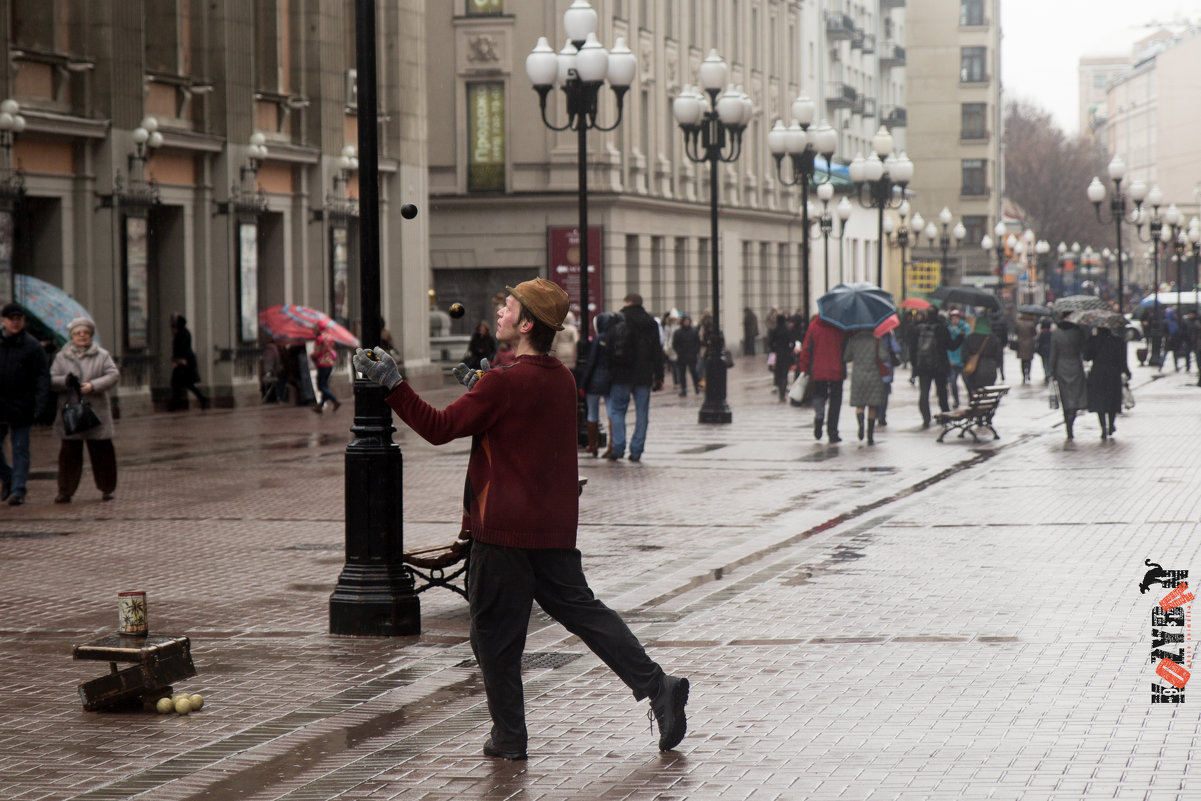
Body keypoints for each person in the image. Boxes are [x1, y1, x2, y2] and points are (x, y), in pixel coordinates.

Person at [352, 277, 689, 761]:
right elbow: (522, 426)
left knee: (492, 636)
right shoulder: (560, 377)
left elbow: (438, 427)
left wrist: (393, 384)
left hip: (503, 533)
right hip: (550, 529)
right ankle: (659, 685)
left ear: (527, 322)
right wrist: (485, 387)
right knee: (588, 616)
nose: (501, 310)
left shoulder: (504, 383)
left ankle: (510, 736)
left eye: (508, 307)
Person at [49, 318, 120, 502]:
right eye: (78, 333)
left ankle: (107, 488)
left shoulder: (102, 355)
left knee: (102, 452)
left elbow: (113, 375)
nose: (82, 336)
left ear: (91, 335)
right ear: (72, 336)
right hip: (71, 412)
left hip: (96, 411)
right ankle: (65, 491)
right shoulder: (61, 356)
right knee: (69, 454)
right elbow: (51, 378)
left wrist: (93, 385)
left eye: (85, 333)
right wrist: (65, 381)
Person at [0, 303, 50, 505]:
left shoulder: (33, 346)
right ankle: (9, 477)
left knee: (20, 448)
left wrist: (39, 405)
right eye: (11, 319)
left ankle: (18, 490)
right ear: (3, 321)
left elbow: (42, 378)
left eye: (19, 319)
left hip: (23, 405)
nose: (15, 322)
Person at [605, 293, 664, 462]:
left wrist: (610, 370)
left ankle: (618, 447)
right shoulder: (650, 323)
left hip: (620, 373)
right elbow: (656, 352)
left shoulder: (617, 319)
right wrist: (658, 375)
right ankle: (636, 450)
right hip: (643, 374)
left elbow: (608, 347)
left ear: (628, 302)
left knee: (617, 410)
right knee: (642, 413)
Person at [797, 313, 847, 443]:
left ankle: (819, 416)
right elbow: (847, 348)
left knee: (819, 395)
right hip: (837, 370)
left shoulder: (814, 326)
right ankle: (833, 432)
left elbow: (807, 349)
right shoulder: (841, 327)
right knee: (835, 401)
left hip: (818, 370)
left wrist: (804, 367)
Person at [913, 308, 965, 429]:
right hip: (939, 366)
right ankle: (944, 416)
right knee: (942, 392)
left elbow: (912, 348)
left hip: (923, 366)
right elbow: (951, 346)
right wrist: (960, 337)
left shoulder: (919, 329)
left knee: (924, 393)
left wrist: (915, 365)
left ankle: (926, 418)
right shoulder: (941, 328)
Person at [578, 312, 616, 457]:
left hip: (594, 381)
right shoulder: (613, 338)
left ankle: (592, 444)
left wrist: (583, 384)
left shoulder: (598, 338)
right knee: (612, 412)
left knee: (592, 413)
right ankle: (612, 445)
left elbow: (591, 362)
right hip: (610, 381)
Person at [1083, 325, 1130, 440]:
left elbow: (1087, 357)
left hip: (1098, 374)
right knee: (1112, 401)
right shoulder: (1118, 341)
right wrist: (1126, 372)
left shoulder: (1094, 340)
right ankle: (1111, 424)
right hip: (1113, 374)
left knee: (1100, 402)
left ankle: (1103, 426)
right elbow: (1122, 360)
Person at [843, 329, 889, 445]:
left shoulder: (853, 340)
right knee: (872, 407)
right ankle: (870, 436)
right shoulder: (876, 340)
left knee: (860, 405)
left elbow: (846, 357)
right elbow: (884, 357)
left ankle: (861, 425)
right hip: (874, 376)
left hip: (858, 376)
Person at [1049, 312, 1089, 440]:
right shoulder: (1077, 332)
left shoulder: (1056, 333)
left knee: (1065, 396)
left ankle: (1068, 422)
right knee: (1075, 396)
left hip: (1061, 367)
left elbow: (1053, 353)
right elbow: (1084, 348)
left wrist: (1051, 370)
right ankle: (1072, 418)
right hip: (1075, 365)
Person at [169, 314, 210, 411]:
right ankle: (202, 400)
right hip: (185, 361)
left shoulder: (182, 333)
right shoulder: (183, 332)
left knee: (179, 383)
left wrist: (179, 359)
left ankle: (176, 405)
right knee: (184, 384)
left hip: (184, 362)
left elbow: (182, 348)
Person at [961, 315, 1002, 396]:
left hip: (974, 370)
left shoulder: (970, 338)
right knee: (986, 393)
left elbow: (964, 355)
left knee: (974, 391)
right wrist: (995, 364)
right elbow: (999, 356)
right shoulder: (994, 339)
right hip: (991, 371)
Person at [309, 320, 341, 414]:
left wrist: (312, 356)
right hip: (330, 363)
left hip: (322, 364)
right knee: (324, 385)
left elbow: (317, 353)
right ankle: (320, 406)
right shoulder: (329, 337)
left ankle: (335, 400)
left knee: (321, 386)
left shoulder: (320, 338)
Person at [945, 309, 971, 408]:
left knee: (967, 382)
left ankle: (971, 397)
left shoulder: (965, 327)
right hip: (952, 360)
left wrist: (959, 332)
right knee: (953, 383)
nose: (955, 320)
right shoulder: (948, 328)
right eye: (953, 318)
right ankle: (956, 400)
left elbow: (968, 339)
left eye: (956, 318)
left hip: (963, 359)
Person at [671, 315, 702, 396]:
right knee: (682, 373)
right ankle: (683, 389)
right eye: (685, 321)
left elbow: (698, 343)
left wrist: (695, 351)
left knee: (693, 371)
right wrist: (679, 351)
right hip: (682, 356)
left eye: (688, 321)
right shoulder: (678, 332)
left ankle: (696, 386)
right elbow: (675, 344)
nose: (686, 322)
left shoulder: (694, 331)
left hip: (692, 355)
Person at [767, 314, 795, 402]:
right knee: (785, 374)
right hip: (786, 355)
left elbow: (770, 343)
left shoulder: (774, 331)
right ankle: (783, 392)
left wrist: (774, 349)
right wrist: (789, 349)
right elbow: (792, 342)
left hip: (778, 355)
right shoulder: (787, 330)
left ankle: (781, 393)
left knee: (778, 374)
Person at [1014, 313, 1037, 384]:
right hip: (1029, 343)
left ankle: (1024, 375)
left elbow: (1015, 332)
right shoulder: (1031, 323)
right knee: (1029, 360)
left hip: (1020, 343)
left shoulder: (1018, 323)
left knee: (1022, 361)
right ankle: (1028, 374)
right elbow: (1034, 333)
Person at [1035, 318, 1053, 384]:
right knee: (1049, 362)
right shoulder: (1051, 333)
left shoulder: (1042, 333)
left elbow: (1039, 342)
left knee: (1045, 363)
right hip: (1050, 350)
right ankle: (1049, 373)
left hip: (1043, 350)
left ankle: (1047, 373)